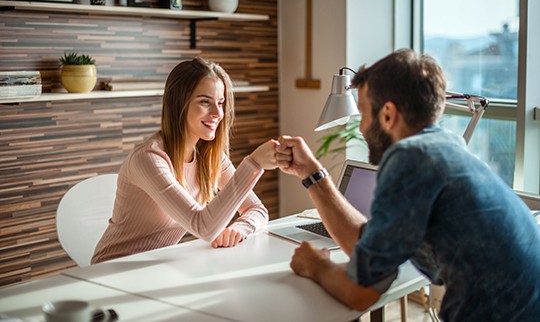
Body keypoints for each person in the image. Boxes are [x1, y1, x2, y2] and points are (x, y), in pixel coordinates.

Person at [275, 49, 540, 321]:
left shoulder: (410, 157)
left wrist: (316, 265)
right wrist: (312, 173)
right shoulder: (447, 147)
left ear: (388, 114)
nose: (362, 126)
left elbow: (360, 292)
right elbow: (366, 245)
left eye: (364, 113)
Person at [92, 57, 278, 264]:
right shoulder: (148, 159)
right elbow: (203, 227)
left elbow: (257, 210)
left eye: (221, 103)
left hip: (158, 266)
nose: (218, 113)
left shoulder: (210, 157)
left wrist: (238, 228)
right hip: (112, 270)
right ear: (179, 104)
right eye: (205, 102)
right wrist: (253, 164)